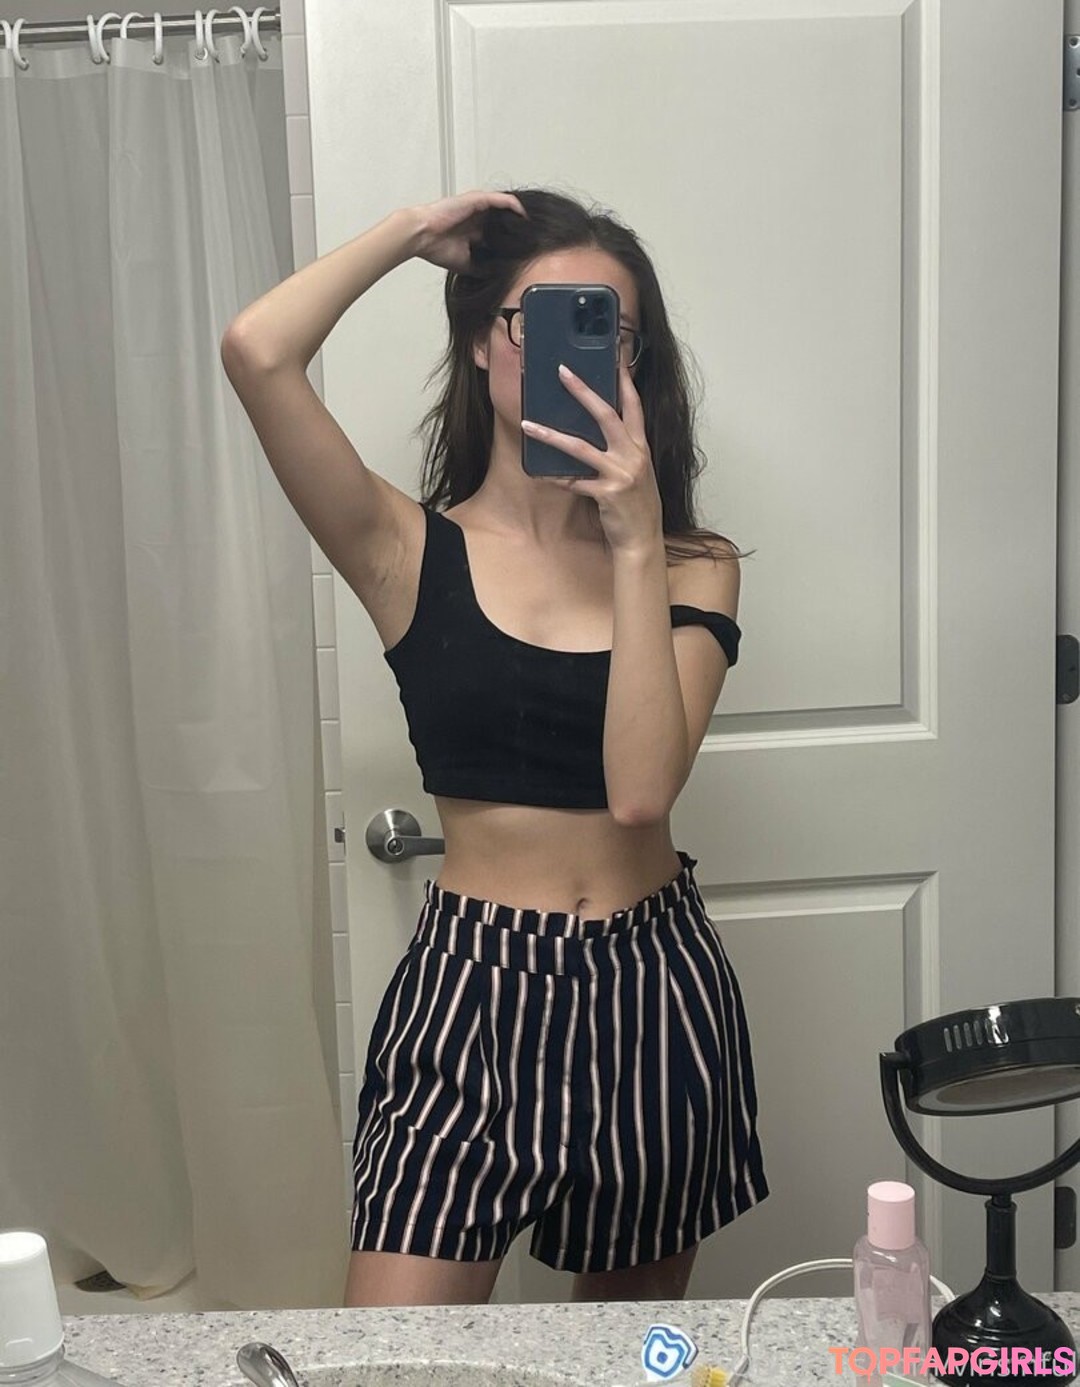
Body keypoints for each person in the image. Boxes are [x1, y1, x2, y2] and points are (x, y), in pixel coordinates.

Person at [220, 186, 769, 1310]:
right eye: (535, 318)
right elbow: (257, 352)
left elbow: (639, 792)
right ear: (481, 341)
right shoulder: (402, 548)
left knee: (629, 1362)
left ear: (637, 360)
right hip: (470, 989)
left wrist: (632, 539)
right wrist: (409, 235)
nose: (571, 349)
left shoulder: (690, 564)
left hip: (652, 983)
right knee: (392, 1363)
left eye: (608, 328)